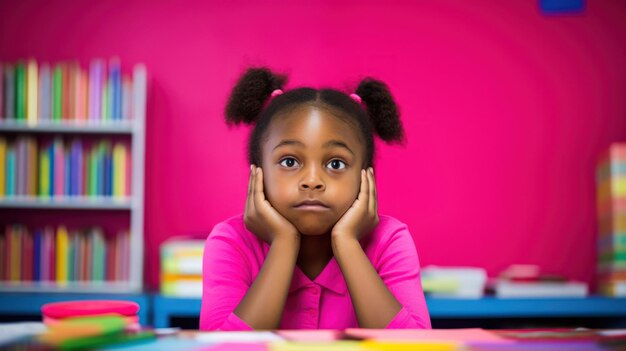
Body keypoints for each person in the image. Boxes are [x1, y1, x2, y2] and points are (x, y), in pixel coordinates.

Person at [200, 67, 431, 330]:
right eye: (289, 161)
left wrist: (347, 243)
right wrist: (283, 243)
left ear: (366, 177)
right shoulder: (232, 242)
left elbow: (416, 346)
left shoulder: (390, 240)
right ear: (258, 173)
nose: (312, 180)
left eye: (335, 164)